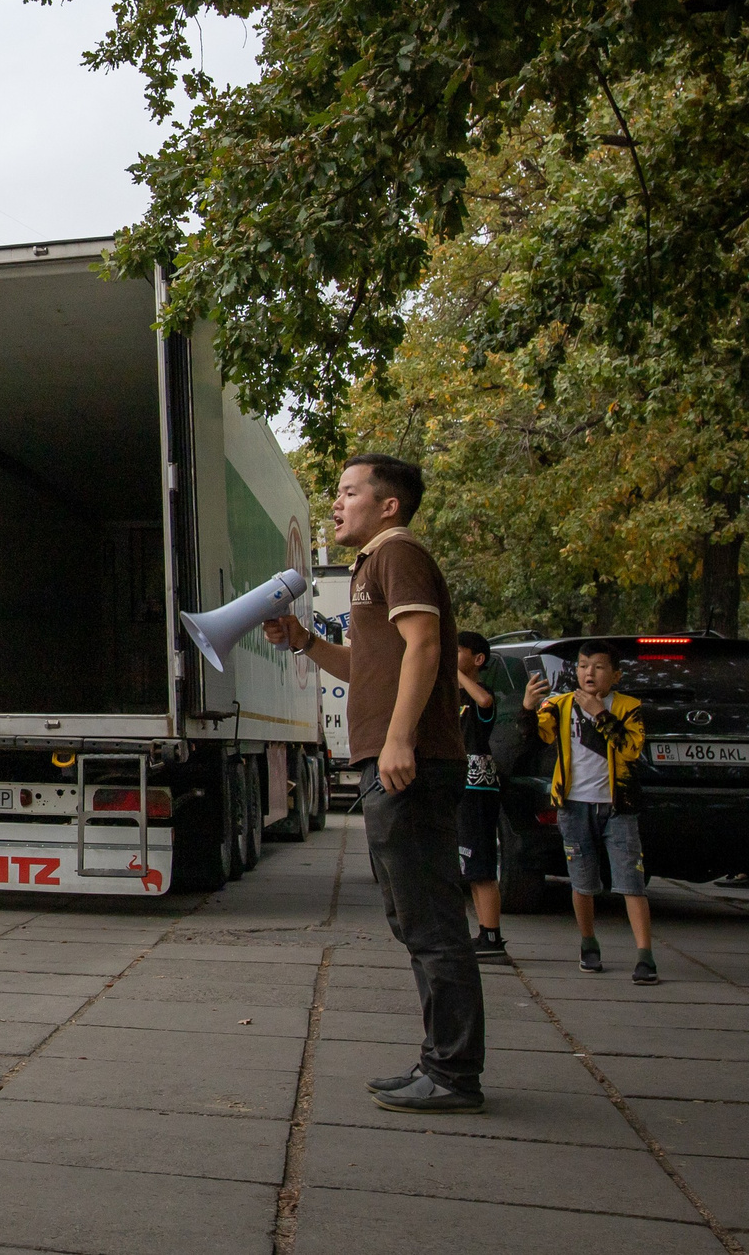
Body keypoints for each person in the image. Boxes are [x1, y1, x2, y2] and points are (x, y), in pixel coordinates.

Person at [264, 453, 483, 1113]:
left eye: (349, 492)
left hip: (409, 762)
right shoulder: (374, 565)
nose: (337, 503)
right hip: (397, 759)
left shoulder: (398, 552)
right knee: (416, 916)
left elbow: (425, 647)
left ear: (388, 505)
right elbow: (366, 667)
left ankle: (453, 1073)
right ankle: (441, 1062)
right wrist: (304, 640)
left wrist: (398, 738)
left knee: (432, 920)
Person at [522, 642, 657, 984]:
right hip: (573, 804)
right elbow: (535, 737)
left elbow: (630, 749)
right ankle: (588, 943)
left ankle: (644, 955)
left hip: (618, 807)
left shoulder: (629, 707)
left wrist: (599, 713)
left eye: (598, 667)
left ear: (615, 674)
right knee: (582, 880)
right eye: (583, 666)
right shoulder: (561, 705)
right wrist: (528, 707)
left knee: (631, 881)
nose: (589, 673)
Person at [455, 630, 511, 962]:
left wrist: (457, 672)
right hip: (458, 784)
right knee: (467, 862)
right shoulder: (453, 693)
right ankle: (481, 933)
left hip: (478, 785)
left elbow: (485, 702)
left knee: (480, 863)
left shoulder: (482, 693)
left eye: (457, 651)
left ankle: (492, 935)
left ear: (478, 659)